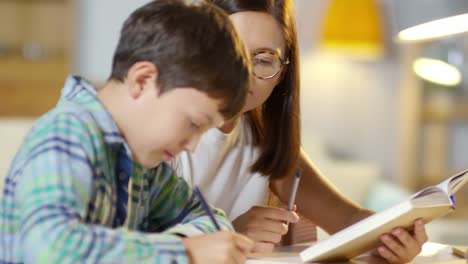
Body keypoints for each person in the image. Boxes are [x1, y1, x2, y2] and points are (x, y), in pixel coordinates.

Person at [172, 0, 428, 262]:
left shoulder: (266, 138)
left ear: (282, 72)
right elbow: (135, 249)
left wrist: (393, 237)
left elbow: (348, 219)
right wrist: (231, 233)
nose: (243, 74)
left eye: (263, 59)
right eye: (230, 53)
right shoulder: (163, 138)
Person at [0, 1, 254, 263]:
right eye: (193, 123)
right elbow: (51, 250)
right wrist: (185, 252)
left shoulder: (146, 165)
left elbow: (211, 221)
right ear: (142, 80)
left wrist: (188, 243)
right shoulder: (67, 135)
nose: (192, 146)